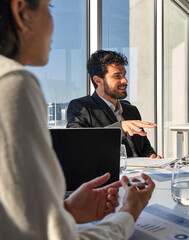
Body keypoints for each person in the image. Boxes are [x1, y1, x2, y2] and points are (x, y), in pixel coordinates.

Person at [0, 0, 155, 239]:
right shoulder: (12, 83)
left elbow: (17, 219)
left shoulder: (131, 109)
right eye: (49, 9)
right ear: (21, 12)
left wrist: (67, 209)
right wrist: (129, 212)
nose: (54, 25)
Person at [67, 50, 162, 158]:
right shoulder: (82, 107)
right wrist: (120, 128)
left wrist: (151, 157)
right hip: (112, 173)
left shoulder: (131, 110)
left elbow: (145, 147)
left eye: (124, 75)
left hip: (143, 172)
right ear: (98, 80)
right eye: (117, 76)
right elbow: (77, 145)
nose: (125, 81)